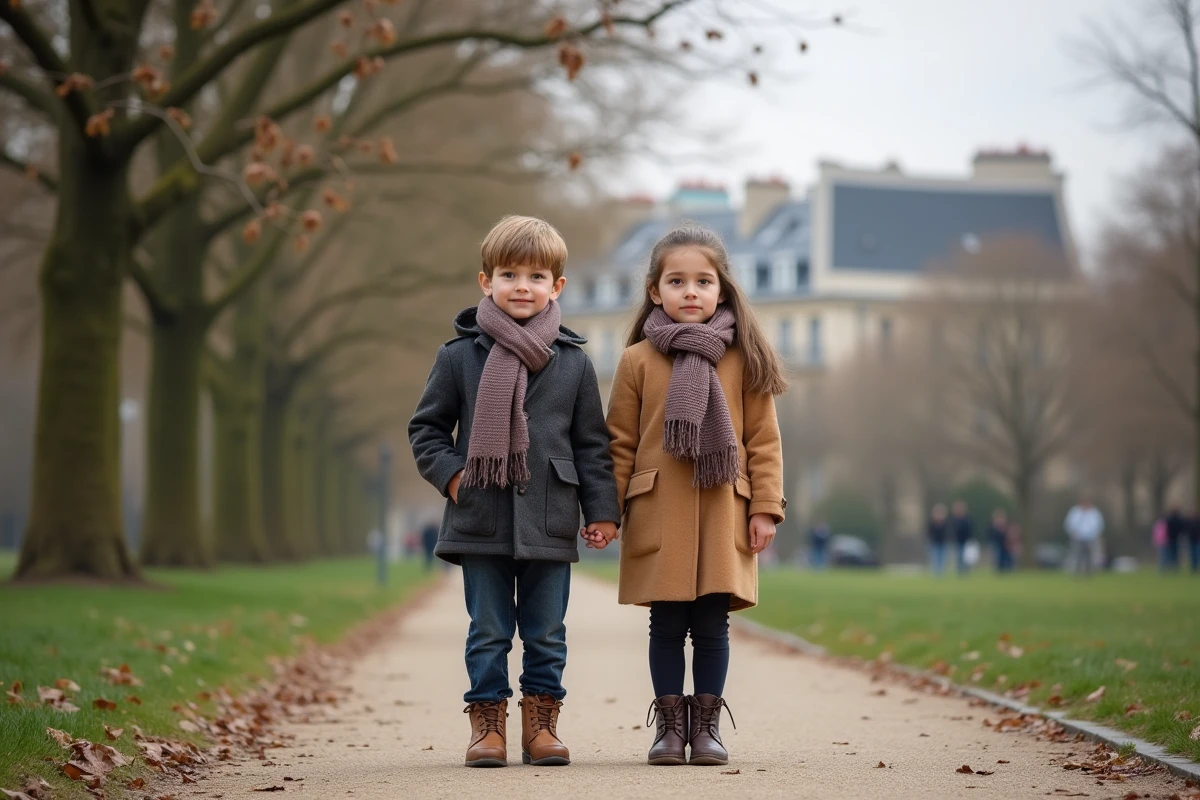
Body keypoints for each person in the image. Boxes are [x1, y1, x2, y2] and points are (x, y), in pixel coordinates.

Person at [408, 215, 620, 768]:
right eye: (508, 274)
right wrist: (453, 476)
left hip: (551, 515)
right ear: (486, 282)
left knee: (547, 631)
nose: (522, 286)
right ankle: (488, 727)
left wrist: (603, 511)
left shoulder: (575, 362)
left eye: (535, 275)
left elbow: (592, 445)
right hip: (480, 516)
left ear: (558, 286)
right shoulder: (457, 357)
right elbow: (427, 429)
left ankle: (542, 725)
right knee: (489, 630)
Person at [603, 224, 787, 767]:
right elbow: (619, 443)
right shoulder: (637, 360)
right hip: (659, 509)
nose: (690, 291)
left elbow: (764, 442)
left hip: (724, 509)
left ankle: (705, 727)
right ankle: (669, 728)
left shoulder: (743, 357)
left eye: (703, 281)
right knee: (666, 623)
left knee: (712, 622)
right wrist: (606, 513)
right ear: (655, 291)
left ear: (722, 290)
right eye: (677, 281)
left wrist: (766, 509)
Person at [1063, 495, 1104, 576]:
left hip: (1091, 538)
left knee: (1090, 556)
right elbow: (1069, 523)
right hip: (1077, 538)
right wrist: (1073, 533)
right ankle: (1077, 572)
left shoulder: (1094, 512)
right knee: (1077, 555)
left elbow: (1099, 525)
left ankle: (1089, 572)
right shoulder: (1075, 512)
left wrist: (1094, 534)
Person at [950, 500, 972, 576]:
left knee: (966, 558)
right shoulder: (954, 519)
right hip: (957, 541)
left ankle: (965, 571)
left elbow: (969, 530)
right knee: (958, 557)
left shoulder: (966, 519)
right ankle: (960, 571)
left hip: (965, 541)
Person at [927, 503, 949, 576]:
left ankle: (940, 573)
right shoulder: (932, 523)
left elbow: (948, 533)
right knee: (935, 558)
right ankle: (935, 573)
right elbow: (929, 533)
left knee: (942, 559)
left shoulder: (945, 523)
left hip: (943, 543)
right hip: (934, 543)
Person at [987, 508, 1012, 573]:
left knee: (1005, 557)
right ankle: (999, 569)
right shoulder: (992, 526)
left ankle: (1005, 569)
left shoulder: (1005, 526)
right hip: (996, 544)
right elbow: (991, 535)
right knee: (997, 557)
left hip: (1004, 544)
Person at [1164, 504, 1186, 571]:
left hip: (1172, 538)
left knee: (1172, 553)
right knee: (1175, 553)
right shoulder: (1179, 519)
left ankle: (1173, 566)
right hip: (1175, 538)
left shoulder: (1170, 519)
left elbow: (1167, 529)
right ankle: (1174, 566)